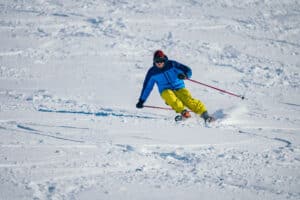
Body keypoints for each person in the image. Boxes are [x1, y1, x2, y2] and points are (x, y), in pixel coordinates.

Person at [136, 50, 214, 122]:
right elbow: (147, 87)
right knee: (169, 95)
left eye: (161, 61)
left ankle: (205, 115)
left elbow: (187, 70)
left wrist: (185, 75)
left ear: (164, 60)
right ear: (154, 61)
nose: (159, 63)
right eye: (157, 61)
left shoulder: (172, 64)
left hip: (179, 87)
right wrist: (141, 101)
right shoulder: (152, 72)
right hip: (165, 90)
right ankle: (184, 113)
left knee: (187, 99)